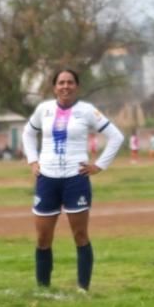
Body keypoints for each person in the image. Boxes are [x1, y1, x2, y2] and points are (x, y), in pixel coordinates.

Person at [22, 69, 124, 292]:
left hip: (75, 180)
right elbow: (28, 133)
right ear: (54, 87)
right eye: (61, 83)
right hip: (47, 179)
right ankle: (43, 288)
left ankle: (83, 288)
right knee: (43, 237)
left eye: (70, 82)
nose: (65, 86)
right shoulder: (43, 110)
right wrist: (32, 161)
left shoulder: (87, 111)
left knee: (80, 235)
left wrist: (99, 165)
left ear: (76, 86)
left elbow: (116, 136)